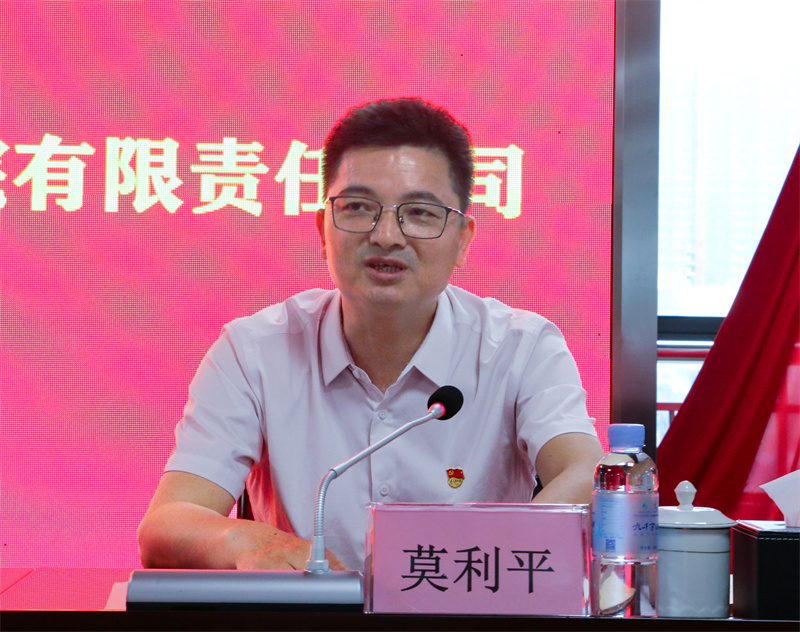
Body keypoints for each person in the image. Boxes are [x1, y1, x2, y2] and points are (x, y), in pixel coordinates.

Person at [137, 98, 603, 572]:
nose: (386, 236)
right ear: (323, 230)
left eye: (420, 213)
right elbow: (167, 524)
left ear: (463, 239)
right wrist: (250, 542)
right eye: (358, 208)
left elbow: (586, 474)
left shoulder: (522, 348)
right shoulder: (252, 352)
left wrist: (467, 563)